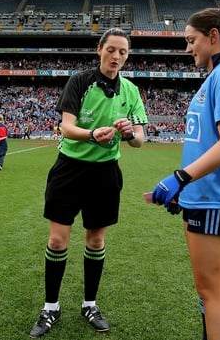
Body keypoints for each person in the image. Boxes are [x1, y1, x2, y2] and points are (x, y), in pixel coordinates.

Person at [29, 27, 148, 338]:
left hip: (106, 173)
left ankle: (89, 304)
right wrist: (92, 134)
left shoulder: (131, 91)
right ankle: (50, 306)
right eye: (111, 49)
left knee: (96, 241)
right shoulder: (80, 81)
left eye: (123, 52)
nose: (117, 56)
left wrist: (128, 133)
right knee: (57, 240)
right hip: (70, 168)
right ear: (100, 49)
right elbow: (66, 127)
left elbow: (140, 140)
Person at [145, 3, 220, 340]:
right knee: (204, 289)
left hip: (218, 196)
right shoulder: (213, 77)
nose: (188, 48)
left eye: (191, 40)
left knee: (211, 289)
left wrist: (180, 178)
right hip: (201, 195)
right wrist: (184, 190)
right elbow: (204, 142)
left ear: (214, 36)